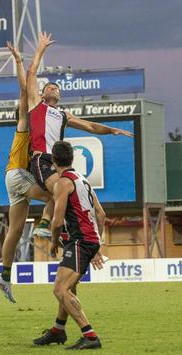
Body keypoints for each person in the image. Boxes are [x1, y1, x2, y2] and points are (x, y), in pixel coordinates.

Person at [26, 32, 133, 237]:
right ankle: (48, 225)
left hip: (58, 162)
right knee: (60, 190)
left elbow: (91, 127)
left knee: (72, 190)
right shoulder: (36, 105)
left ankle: (51, 226)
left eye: (56, 88)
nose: (53, 88)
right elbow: (31, 73)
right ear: (42, 93)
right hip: (42, 160)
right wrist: (41, 48)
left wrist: (111, 130)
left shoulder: (64, 115)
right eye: (49, 87)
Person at [0, 41, 53, 303]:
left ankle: (4, 277)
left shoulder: (43, 122)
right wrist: (19, 60)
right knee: (54, 194)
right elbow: (23, 88)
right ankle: (43, 228)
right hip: (18, 175)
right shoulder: (26, 120)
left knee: (15, 231)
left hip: (13, 177)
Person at [33, 141, 106, 350]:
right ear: (72, 158)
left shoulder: (63, 183)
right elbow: (101, 214)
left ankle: (89, 335)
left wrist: (54, 241)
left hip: (78, 241)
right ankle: (58, 330)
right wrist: (97, 243)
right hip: (87, 240)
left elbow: (56, 221)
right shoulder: (83, 180)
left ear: (53, 161)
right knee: (69, 287)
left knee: (60, 289)